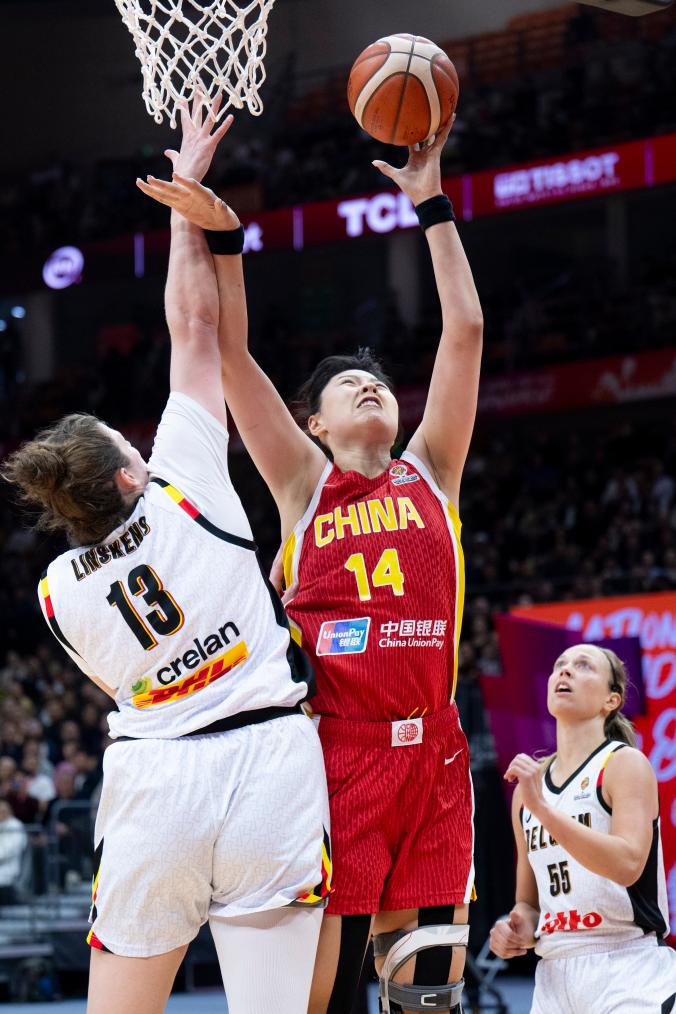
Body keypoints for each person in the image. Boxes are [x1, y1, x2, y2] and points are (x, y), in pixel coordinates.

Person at [138, 111, 482, 1014]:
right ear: (316, 422)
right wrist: (221, 239)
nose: (370, 384)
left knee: (427, 1002)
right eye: (346, 384)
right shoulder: (302, 484)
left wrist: (432, 205)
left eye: (380, 381)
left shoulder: (434, 471)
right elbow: (229, 353)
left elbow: (466, 331)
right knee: (320, 1002)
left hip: (436, 754)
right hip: (332, 760)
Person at [2, 98, 330, 1014]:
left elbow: (120, 680)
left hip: (157, 778)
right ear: (126, 476)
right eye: (129, 443)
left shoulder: (57, 591)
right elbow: (194, 326)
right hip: (267, 753)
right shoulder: (185, 485)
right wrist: (188, 195)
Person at [490, 644, 675, 1014]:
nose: (565, 670)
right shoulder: (529, 791)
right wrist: (516, 928)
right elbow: (529, 903)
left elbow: (627, 864)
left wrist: (543, 810)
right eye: (560, 664)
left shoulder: (624, 764)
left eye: (584, 665)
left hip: (626, 963)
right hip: (554, 975)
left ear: (611, 700)